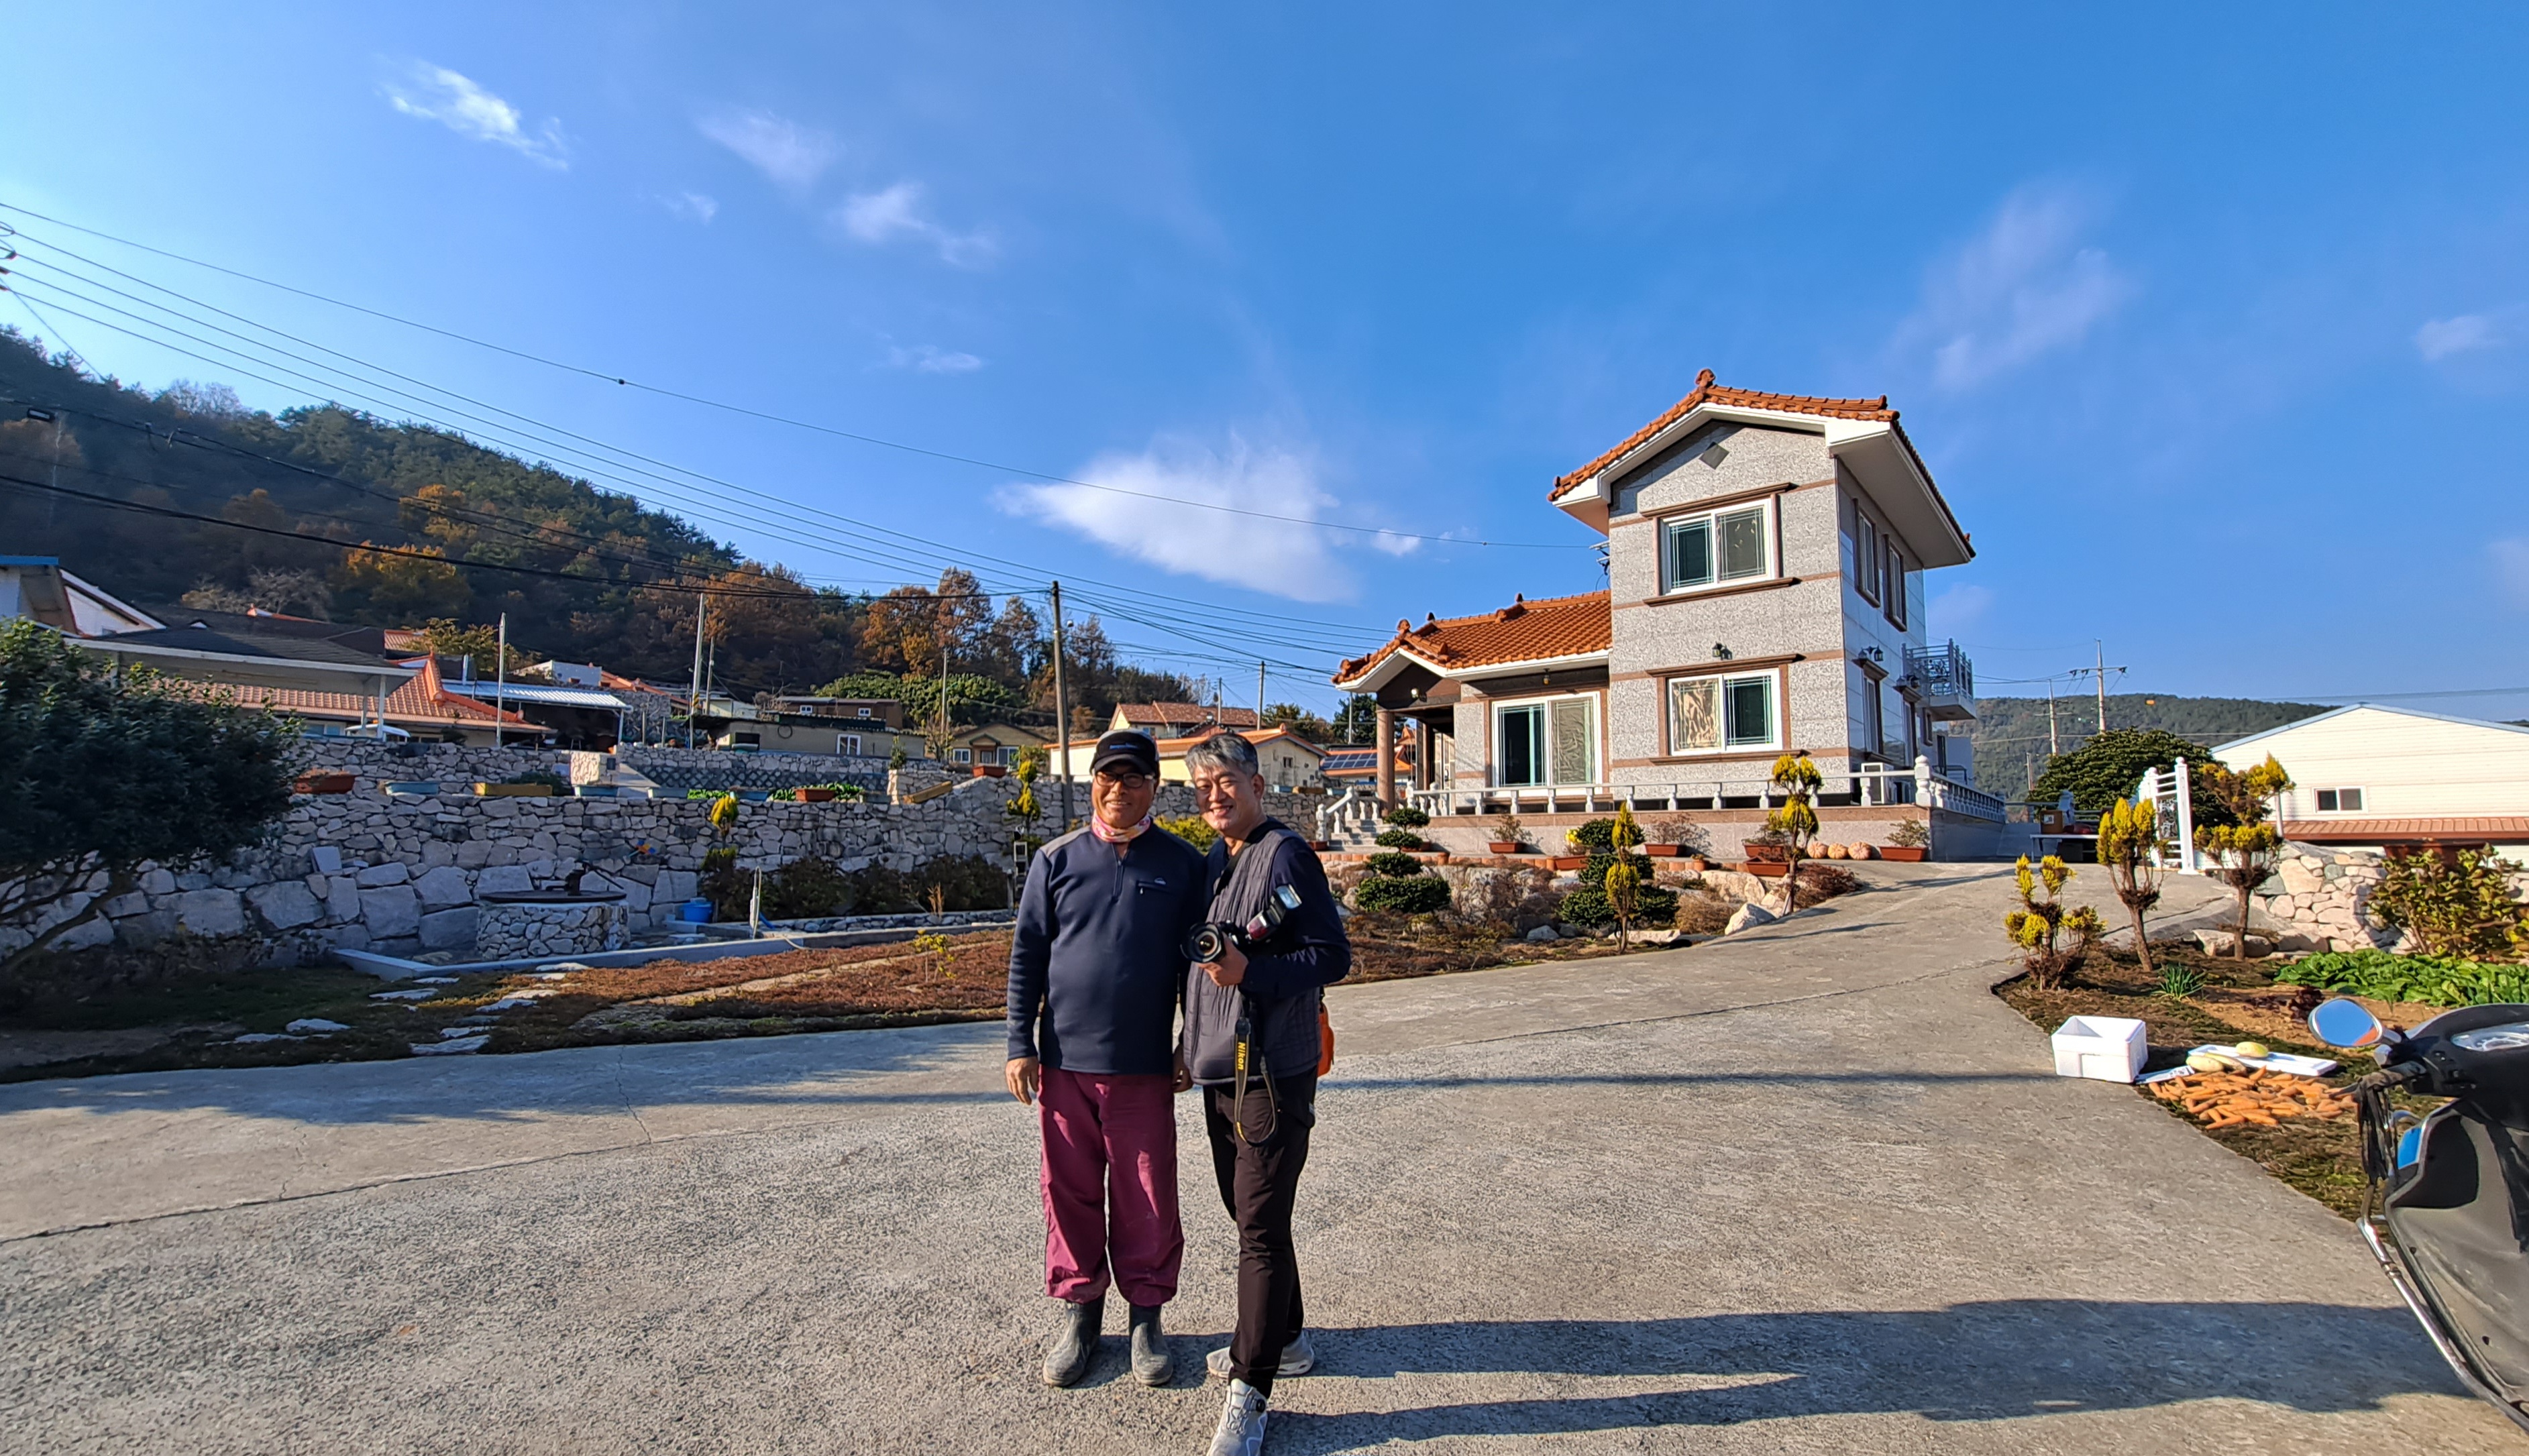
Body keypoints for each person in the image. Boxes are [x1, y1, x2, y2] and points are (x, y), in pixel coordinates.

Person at [1005, 730, 1209, 1389]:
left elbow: (1196, 968)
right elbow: (1027, 955)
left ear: (1155, 787)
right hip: (1065, 1063)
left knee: (1147, 1193)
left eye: (1132, 778)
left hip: (1143, 1067)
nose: (1118, 789)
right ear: (1092, 783)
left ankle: (1146, 1318)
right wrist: (1019, 1043)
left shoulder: (1182, 864)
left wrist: (1188, 1042)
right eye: (1107, 777)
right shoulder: (1055, 859)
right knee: (1068, 1191)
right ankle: (1081, 1314)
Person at [1179, 731, 1351, 1456]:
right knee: (1252, 1213)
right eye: (1202, 787)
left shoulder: (1285, 853)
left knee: (1257, 1226)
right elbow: (1204, 967)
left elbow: (1331, 955)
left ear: (1256, 783)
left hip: (1272, 1073)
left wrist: (1251, 971)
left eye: (1226, 780)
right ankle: (1287, 1337)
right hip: (1221, 1067)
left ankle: (1249, 1391)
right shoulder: (1217, 859)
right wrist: (1185, 1045)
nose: (1214, 795)